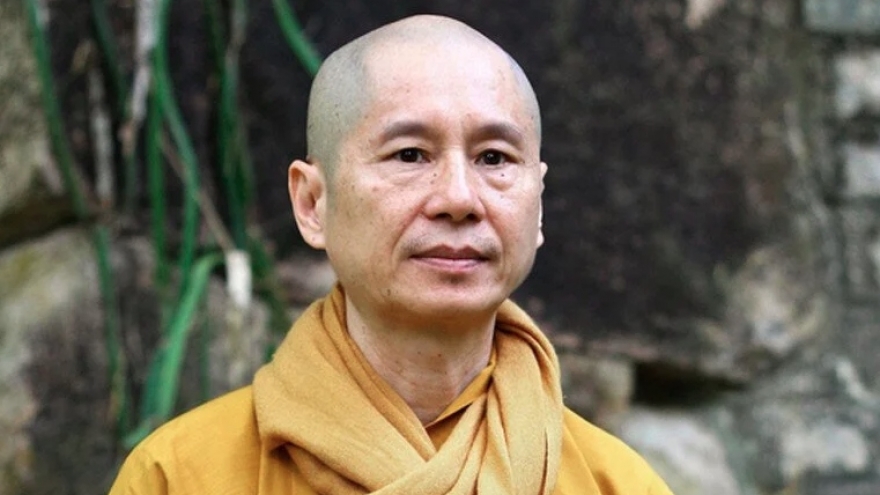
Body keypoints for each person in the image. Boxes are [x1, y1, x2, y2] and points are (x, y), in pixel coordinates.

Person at [108, 14, 674, 495]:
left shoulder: (616, 484)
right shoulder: (182, 475)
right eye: (409, 155)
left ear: (539, 205)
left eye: (494, 158)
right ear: (312, 203)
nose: (459, 199)